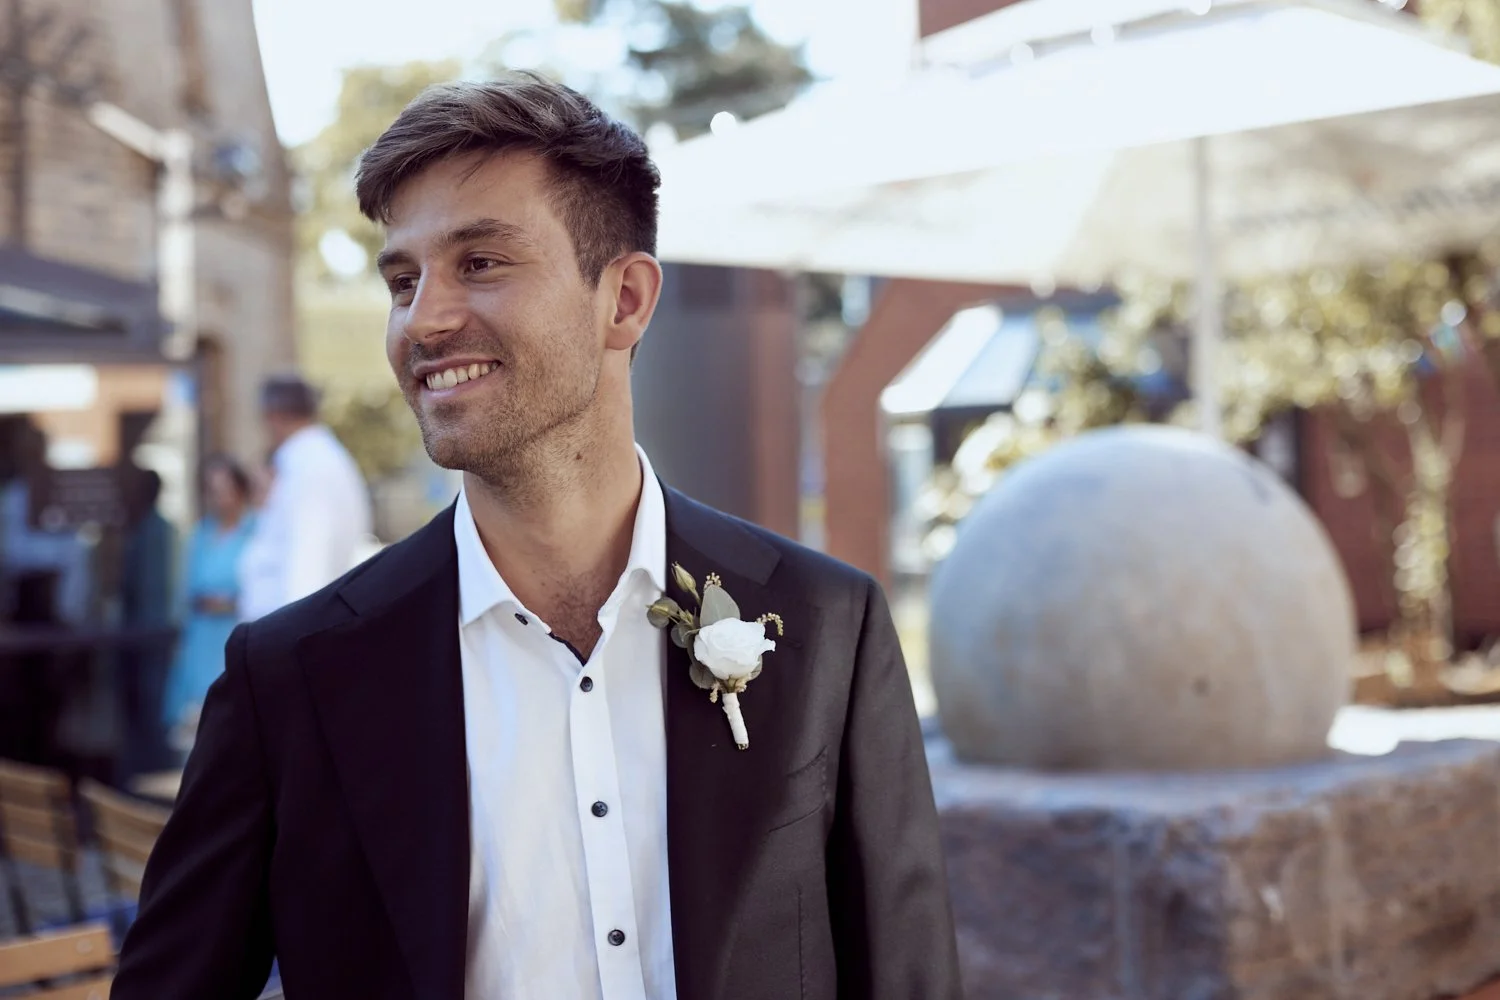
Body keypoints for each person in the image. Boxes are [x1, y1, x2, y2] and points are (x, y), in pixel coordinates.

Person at [113, 73, 959, 1000]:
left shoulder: (828, 626)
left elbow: (906, 976)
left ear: (625, 300)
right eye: (403, 281)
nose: (424, 319)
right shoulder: (291, 678)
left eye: (480, 262)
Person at [235, 375, 372, 621]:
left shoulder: (312, 467)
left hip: (290, 628)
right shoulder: (309, 461)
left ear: (273, 416)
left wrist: (287, 636)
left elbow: (308, 563)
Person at [160, 455, 257, 750]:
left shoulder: (256, 532)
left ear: (240, 490)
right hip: (200, 644)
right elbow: (186, 593)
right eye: (213, 491)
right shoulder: (200, 535)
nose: (220, 498)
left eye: (226, 489)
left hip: (235, 640)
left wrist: (228, 604)